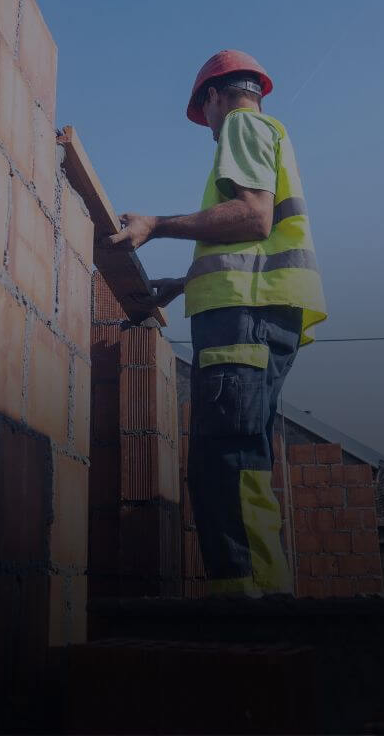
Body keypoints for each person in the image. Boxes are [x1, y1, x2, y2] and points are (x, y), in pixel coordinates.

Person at [104, 49, 327, 597]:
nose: (206, 128)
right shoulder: (265, 129)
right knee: (240, 453)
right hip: (260, 312)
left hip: (245, 316)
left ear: (213, 97)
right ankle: (263, 590)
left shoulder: (242, 126)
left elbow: (253, 216)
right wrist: (183, 283)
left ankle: (247, 598)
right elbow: (250, 237)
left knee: (223, 460)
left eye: (202, 113)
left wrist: (154, 225)